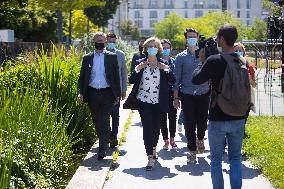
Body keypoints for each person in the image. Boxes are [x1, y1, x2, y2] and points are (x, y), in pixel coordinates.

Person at [192, 24, 248, 189]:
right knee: (235, 159)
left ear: (222, 39)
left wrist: (202, 61)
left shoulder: (214, 60)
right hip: (239, 116)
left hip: (218, 117)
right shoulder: (242, 60)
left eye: (218, 37)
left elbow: (196, 80)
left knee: (216, 161)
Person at [128, 36, 175, 171]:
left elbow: (173, 80)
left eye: (155, 46)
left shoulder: (163, 63)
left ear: (158, 49)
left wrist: (166, 69)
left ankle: (154, 148)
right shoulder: (140, 62)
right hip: (144, 101)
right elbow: (131, 80)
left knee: (156, 129)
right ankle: (150, 157)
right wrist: (137, 69)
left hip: (159, 102)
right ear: (146, 49)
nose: (152, 48)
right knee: (147, 128)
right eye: (150, 46)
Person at [77, 32, 120, 161]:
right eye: (97, 40)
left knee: (105, 119)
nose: (99, 42)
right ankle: (104, 141)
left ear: (105, 41)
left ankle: (102, 148)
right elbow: (82, 77)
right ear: (93, 42)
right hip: (92, 92)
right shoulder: (87, 58)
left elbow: (116, 77)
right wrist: (80, 92)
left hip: (107, 93)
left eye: (101, 40)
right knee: (96, 120)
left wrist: (117, 94)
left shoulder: (112, 57)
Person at [173, 28, 210, 163]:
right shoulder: (180, 57)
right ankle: (192, 151)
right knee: (189, 123)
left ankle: (200, 138)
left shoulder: (205, 54)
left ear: (198, 38)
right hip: (187, 94)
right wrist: (176, 98)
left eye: (194, 37)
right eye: (189, 37)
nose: (192, 39)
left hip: (204, 92)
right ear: (186, 39)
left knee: (202, 121)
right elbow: (176, 79)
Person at [106, 32, 128, 148]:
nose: (112, 44)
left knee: (115, 114)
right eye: (110, 41)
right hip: (104, 90)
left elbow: (124, 73)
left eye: (114, 42)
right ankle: (108, 134)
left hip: (116, 91)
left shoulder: (120, 55)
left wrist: (124, 90)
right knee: (105, 115)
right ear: (106, 41)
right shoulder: (102, 54)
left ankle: (113, 136)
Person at [160, 39, 177, 150]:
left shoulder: (174, 62)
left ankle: (172, 138)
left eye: (167, 48)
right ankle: (165, 139)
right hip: (161, 94)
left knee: (173, 117)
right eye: (164, 48)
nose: (166, 50)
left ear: (170, 49)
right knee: (162, 118)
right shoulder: (158, 62)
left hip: (172, 93)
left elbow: (177, 79)